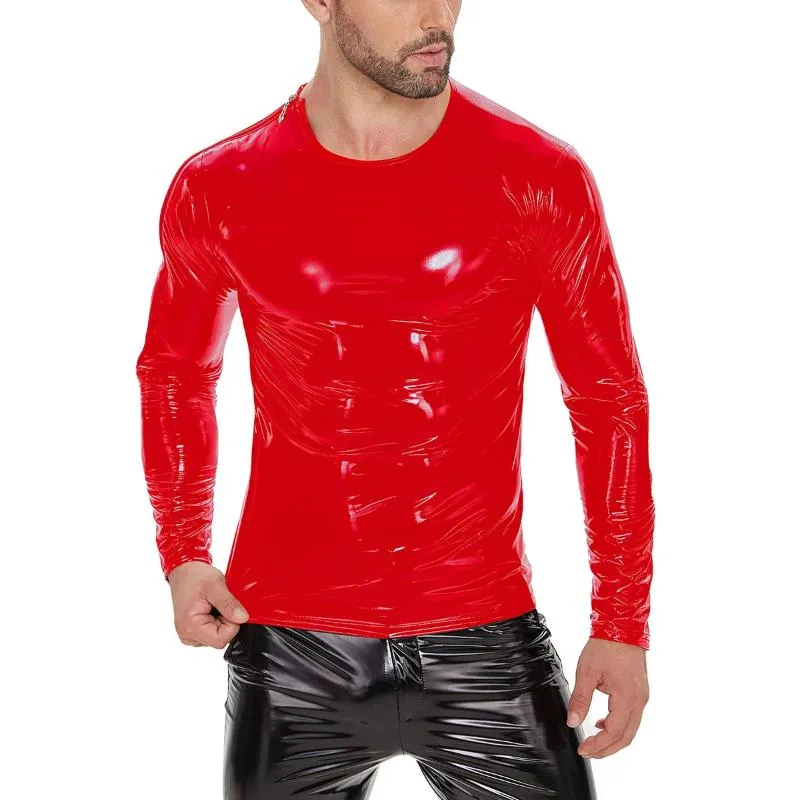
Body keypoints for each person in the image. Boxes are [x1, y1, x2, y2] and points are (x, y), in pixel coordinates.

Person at [135, 1, 654, 797]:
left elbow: (606, 397)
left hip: (484, 633)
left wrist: (621, 621)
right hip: (291, 645)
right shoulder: (220, 186)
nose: (435, 14)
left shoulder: (539, 176)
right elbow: (176, 372)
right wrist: (182, 551)